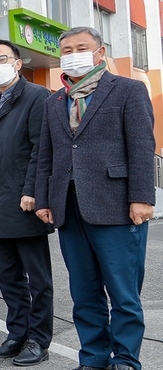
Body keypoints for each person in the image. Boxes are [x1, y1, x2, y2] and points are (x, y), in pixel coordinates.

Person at [35, 26, 156, 370]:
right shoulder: (54, 100)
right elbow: (47, 155)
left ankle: (126, 360)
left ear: (100, 53)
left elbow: (143, 147)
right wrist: (45, 199)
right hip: (69, 208)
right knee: (84, 293)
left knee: (123, 292)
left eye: (81, 47)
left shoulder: (128, 90)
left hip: (117, 204)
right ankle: (93, 358)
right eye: (67, 49)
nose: (73, 54)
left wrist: (142, 197)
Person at [0, 39, 53, 366]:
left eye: (1, 59)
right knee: (8, 277)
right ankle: (17, 333)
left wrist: (32, 190)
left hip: (25, 204)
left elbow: (40, 149)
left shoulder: (36, 97)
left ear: (18, 63)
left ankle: (38, 340)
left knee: (38, 279)